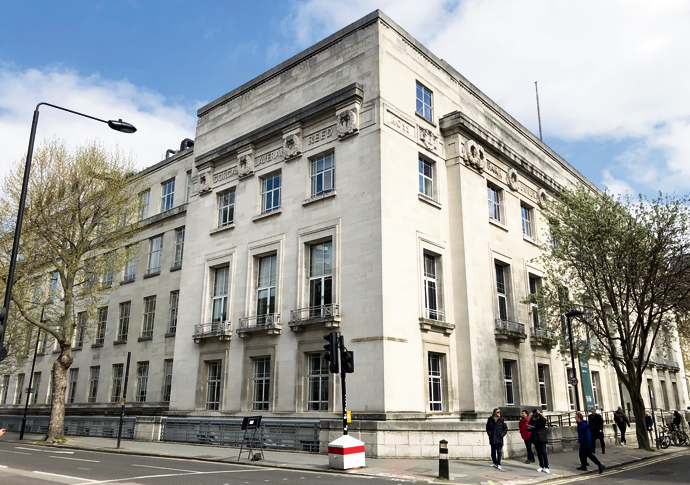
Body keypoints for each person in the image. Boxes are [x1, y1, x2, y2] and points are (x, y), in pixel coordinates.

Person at [528, 408, 550, 474]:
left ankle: (546, 467)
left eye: (535, 413)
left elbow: (544, 421)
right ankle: (541, 466)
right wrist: (528, 428)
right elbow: (530, 428)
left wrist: (539, 414)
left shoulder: (540, 419)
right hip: (535, 438)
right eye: (534, 413)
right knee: (538, 453)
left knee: (543, 452)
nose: (534, 414)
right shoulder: (531, 420)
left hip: (542, 438)